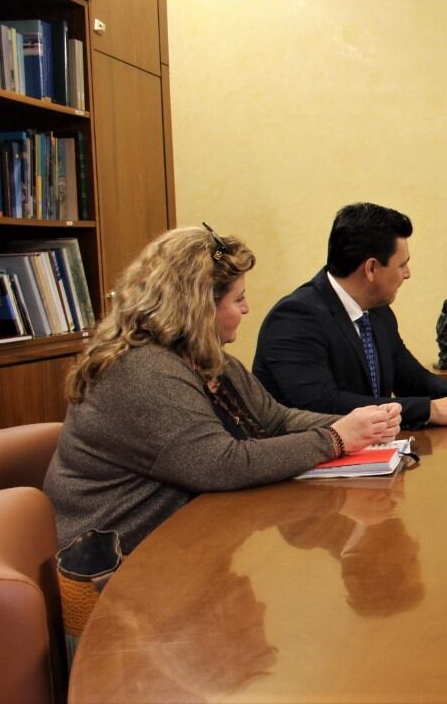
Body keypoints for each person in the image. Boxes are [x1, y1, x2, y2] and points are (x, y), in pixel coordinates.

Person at [43, 226, 402, 554]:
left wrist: (358, 425)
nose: (247, 308)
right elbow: (220, 464)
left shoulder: (205, 358)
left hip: (184, 541)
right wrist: (335, 439)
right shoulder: (141, 371)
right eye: (237, 299)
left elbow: (276, 419)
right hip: (123, 564)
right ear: (199, 308)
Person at [253, 203, 447, 427]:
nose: (407, 274)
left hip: (370, 457)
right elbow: (321, 404)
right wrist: (430, 410)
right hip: (307, 466)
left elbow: (411, 377)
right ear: (371, 268)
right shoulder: (295, 318)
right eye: (402, 265)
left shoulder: (379, 312)